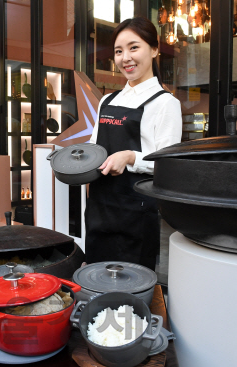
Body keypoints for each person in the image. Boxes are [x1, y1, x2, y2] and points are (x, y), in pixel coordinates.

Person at [85, 17, 182, 270]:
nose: (125, 57)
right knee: (96, 276)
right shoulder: (106, 100)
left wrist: (129, 157)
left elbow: (168, 165)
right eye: (119, 51)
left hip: (136, 212)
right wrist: (77, 162)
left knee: (133, 283)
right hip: (99, 206)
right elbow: (95, 148)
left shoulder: (165, 103)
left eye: (133, 47)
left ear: (154, 49)